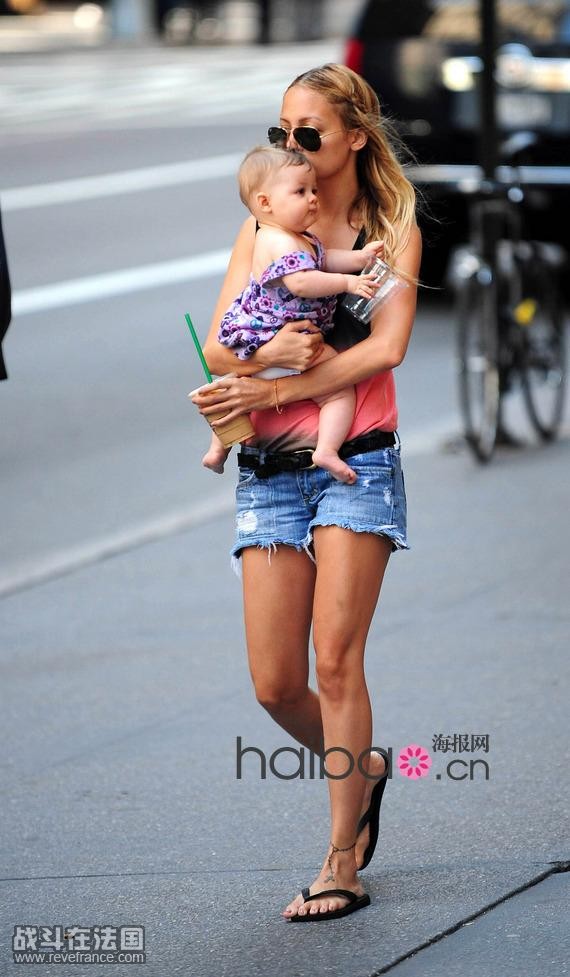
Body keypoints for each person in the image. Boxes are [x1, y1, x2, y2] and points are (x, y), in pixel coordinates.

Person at [191, 63, 421, 921]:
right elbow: (220, 344)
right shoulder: (266, 224)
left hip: (355, 458)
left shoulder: (389, 229)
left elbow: (386, 347)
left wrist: (278, 386)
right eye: (281, 131)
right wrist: (261, 362)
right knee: (276, 682)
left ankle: (340, 859)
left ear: (354, 137)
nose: (291, 145)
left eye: (308, 132)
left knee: (334, 661)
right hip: (268, 470)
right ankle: (366, 767)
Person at [203, 145, 384, 482]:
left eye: (313, 190)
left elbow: (326, 260)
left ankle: (218, 448)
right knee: (338, 391)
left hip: (266, 336)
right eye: (300, 192)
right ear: (265, 203)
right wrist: (349, 282)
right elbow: (302, 281)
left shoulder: (299, 239)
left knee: (234, 388)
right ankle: (327, 450)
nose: (313, 198)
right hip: (280, 333)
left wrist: (359, 259)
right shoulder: (277, 240)